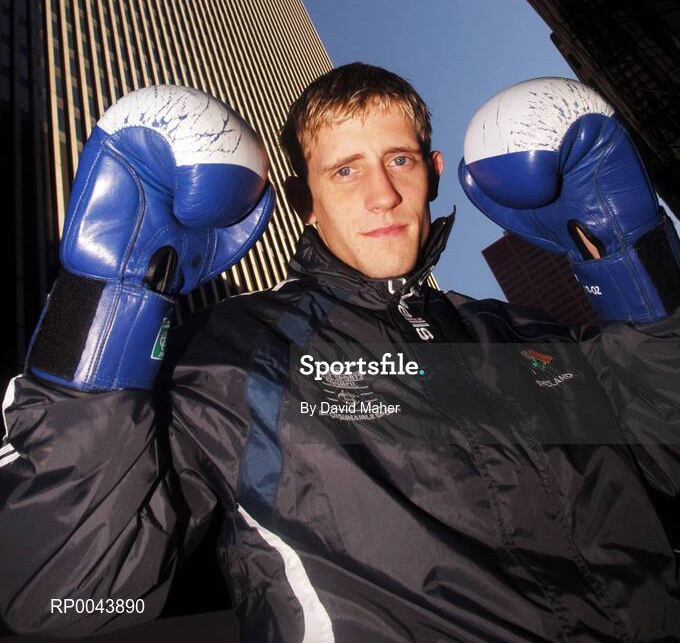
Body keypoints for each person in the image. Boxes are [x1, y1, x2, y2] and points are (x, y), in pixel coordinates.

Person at [1, 64, 680, 642]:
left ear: (435, 172)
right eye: (345, 168)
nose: (381, 194)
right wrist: (108, 302)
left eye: (400, 160)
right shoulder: (234, 357)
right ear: (305, 200)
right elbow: (59, 591)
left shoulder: (528, 336)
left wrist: (634, 259)